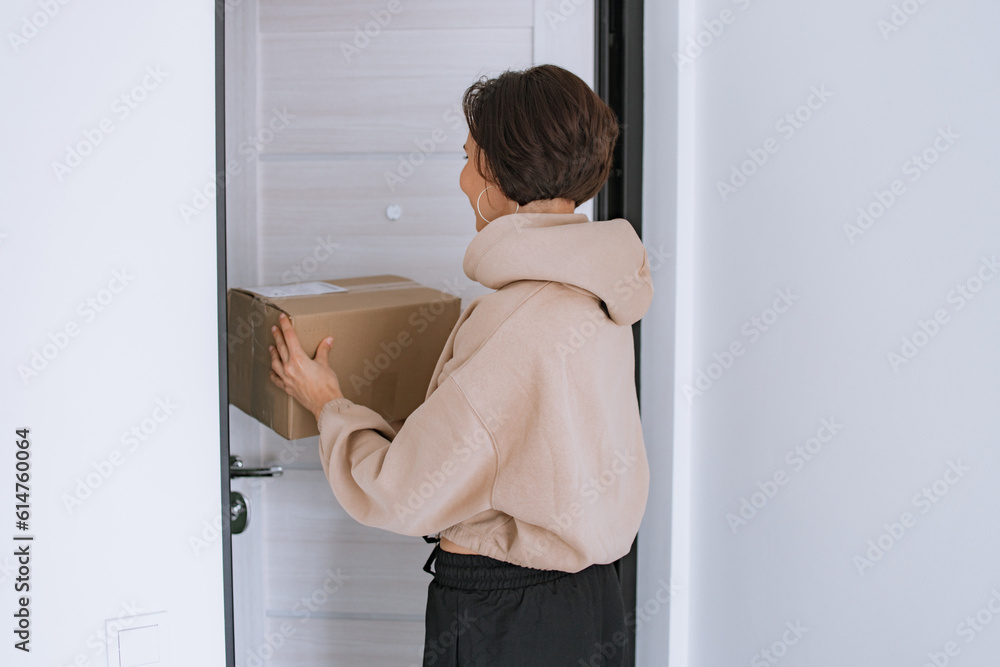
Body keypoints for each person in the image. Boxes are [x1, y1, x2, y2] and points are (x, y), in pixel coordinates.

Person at [267, 63, 653, 666]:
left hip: (509, 620)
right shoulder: (595, 292)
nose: (462, 175)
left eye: (470, 156)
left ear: (497, 173)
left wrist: (326, 403)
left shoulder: (514, 319)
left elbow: (398, 491)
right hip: (591, 601)